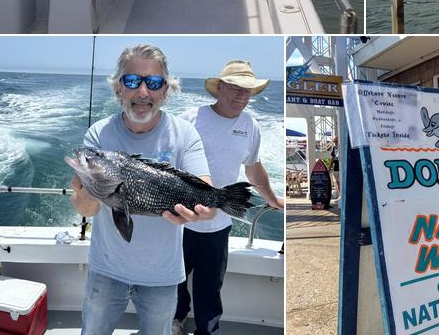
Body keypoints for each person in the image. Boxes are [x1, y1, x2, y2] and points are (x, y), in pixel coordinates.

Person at [70, 44, 215, 335]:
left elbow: (208, 199)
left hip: (161, 275)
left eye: (154, 82)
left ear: (166, 90)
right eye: (132, 81)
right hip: (106, 270)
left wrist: (199, 212)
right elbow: (87, 209)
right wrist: (89, 185)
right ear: (119, 88)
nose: (143, 92)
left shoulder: (184, 134)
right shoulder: (98, 135)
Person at [173, 60, 284, 335]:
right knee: (173, 279)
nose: (241, 95)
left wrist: (272, 198)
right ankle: (175, 318)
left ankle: (207, 331)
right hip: (180, 222)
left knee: (210, 286)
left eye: (247, 90)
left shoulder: (251, 126)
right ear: (219, 87)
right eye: (235, 87)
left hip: (219, 225)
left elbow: (253, 167)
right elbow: (169, 164)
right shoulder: (190, 118)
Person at [330, 135, 341, 202]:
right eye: (334, 141)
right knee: (337, 182)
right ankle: (340, 195)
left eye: (336, 141)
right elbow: (332, 157)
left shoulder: (341, 147)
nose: (335, 143)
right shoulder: (334, 148)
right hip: (335, 167)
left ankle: (342, 195)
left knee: (340, 181)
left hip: (341, 167)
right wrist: (329, 166)